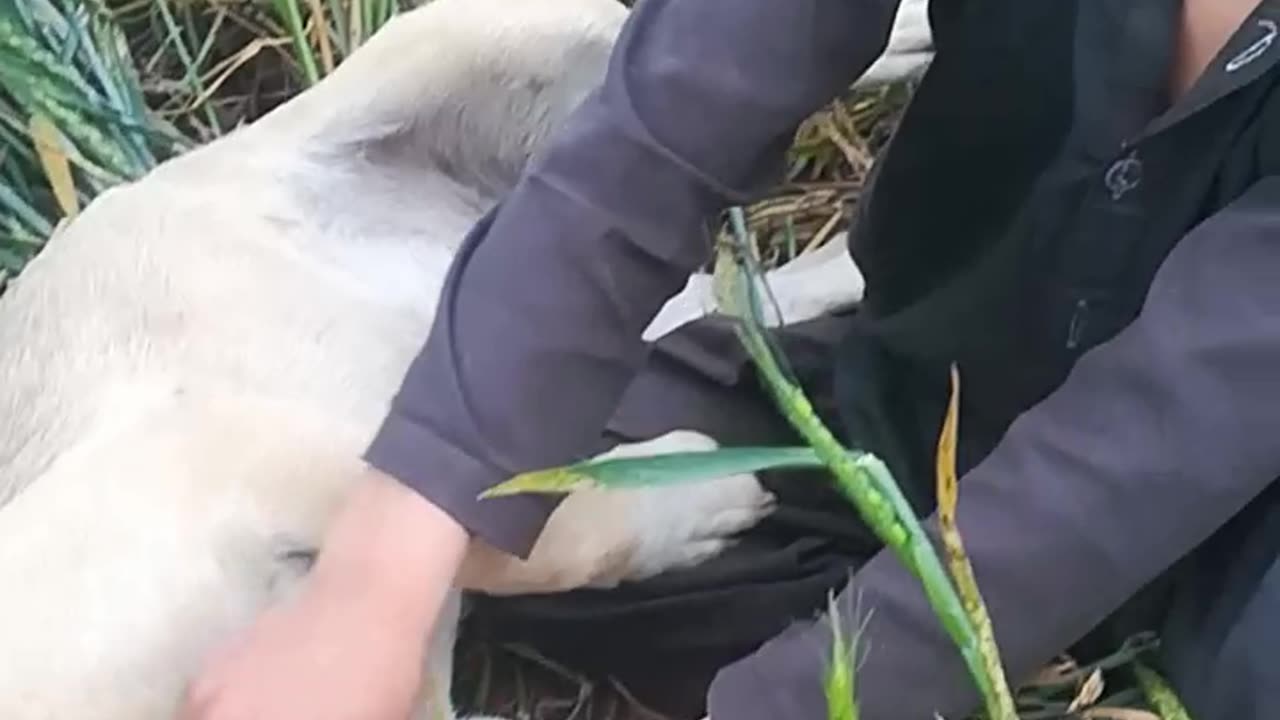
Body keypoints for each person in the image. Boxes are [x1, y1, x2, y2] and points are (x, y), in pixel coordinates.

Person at [183, 0, 1280, 719]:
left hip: (1242, 528)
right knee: (515, 510)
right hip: (923, 384)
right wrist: (371, 589)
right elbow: (655, 137)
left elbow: (1136, 461)